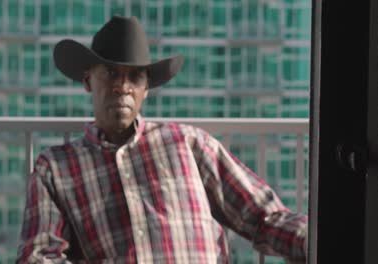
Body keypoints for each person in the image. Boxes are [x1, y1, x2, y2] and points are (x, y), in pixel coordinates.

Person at [16, 15, 307, 263]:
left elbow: (263, 217)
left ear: (145, 90)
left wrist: (321, 241)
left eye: (134, 78)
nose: (122, 87)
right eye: (111, 74)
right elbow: (39, 255)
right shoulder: (54, 168)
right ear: (89, 80)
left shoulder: (188, 144)